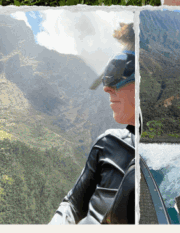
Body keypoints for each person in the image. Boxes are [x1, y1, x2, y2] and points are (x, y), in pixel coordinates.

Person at [50, 24, 136, 224]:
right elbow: (72, 205)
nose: (106, 87)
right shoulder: (107, 144)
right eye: (109, 72)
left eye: (121, 70)